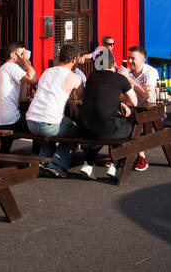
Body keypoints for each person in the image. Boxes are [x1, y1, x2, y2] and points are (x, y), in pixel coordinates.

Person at [73, 47, 137, 179]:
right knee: (126, 126)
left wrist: (118, 103)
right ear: (113, 64)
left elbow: (98, 97)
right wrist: (122, 102)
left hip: (84, 127)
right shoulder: (120, 79)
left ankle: (88, 164)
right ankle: (115, 166)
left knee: (102, 128)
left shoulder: (91, 77)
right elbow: (134, 102)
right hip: (104, 127)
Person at [28, 45, 85, 178]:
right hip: (48, 125)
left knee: (55, 125)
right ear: (74, 59)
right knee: (75, 130)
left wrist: (68, 101)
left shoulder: (47, 72)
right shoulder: (74, 78)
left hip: (31, 122)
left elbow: (52, 92)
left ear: (59, 56)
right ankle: (58, 165)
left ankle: (44, 160)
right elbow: (84, 98)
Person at [0, 42, 36, 152]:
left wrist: (25, 73)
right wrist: (26, 60)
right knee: (38, 128)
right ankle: (36, 159)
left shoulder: (1, 69)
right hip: (9, 122)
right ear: (12, 55)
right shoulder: (11, 67)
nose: (23, 56)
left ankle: (2, 159)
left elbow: (21, 99)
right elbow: (34, 79)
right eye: (21, 54)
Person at [119, 45, 159, 170]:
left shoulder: (150, 72)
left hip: (149, 109)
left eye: (133, 58)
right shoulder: (126, 72)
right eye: (128, 58)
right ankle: (118, 156)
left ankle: (141, 157)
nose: (129, 61)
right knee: (115, 117)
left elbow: (146, 95)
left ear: (143, 59)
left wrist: (129, 79)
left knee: (134, 124)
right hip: (131, 108)